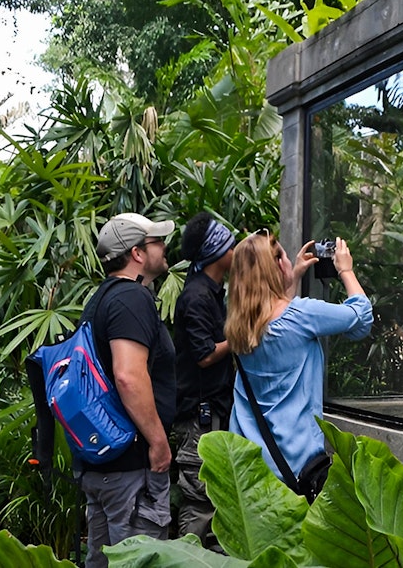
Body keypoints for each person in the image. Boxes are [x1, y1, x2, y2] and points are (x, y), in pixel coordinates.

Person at [225, 231, 372, 492]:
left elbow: (273, 314)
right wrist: (345, 270)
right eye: (282, 257)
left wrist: (292, 277)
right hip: (296, 465)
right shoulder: (302, 316)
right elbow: (361, 319)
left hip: (252, 462)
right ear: (278, 266)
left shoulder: (240, 325)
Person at [82, 212, 177, 568]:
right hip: (130, 467)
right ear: (137, 253)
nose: (164, 248)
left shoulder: (101, 300)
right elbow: (128, 375)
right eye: (157, 242)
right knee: (139, 559)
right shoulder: (131, 299)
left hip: (106, 465)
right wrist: (157, 441)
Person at [172, 212, 235, 543]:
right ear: (216, 252)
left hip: (214, 411)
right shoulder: (196, 296)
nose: (235, 247)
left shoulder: (213, 291)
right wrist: (239, 338)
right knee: (200, 500)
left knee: (214, 498)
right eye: (229, 243)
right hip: (200, 416)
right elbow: (205, 354)